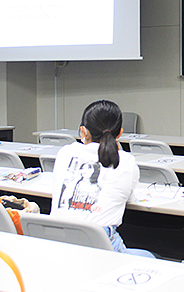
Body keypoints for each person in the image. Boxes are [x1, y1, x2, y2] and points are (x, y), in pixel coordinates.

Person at [51, 100, 155, 258]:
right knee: (151, 259)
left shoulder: (65, 152)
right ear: (120, 133)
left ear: (83, 131)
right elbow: (128, 197)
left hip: (57, 242)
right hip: (100, 245)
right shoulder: (126, 161)